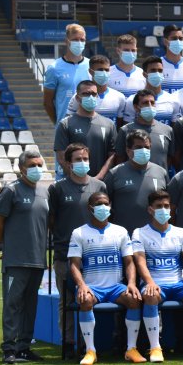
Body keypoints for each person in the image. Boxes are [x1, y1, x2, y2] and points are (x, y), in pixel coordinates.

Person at [131, 190, 183, 362]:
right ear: (150, 209)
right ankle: (155, 348)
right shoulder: (139, 233)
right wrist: (150, 282)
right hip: (155, 284)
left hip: (179, 284)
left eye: (166, 206)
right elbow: (140, 262)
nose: (163, 210)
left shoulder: (181, 232)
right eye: (159, 206)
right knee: (150, 295)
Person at [67, 191, 140, 365]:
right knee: (85, 300)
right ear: (90, 208)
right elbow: (74, 264)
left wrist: (131, 283)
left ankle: (131, 349)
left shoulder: (120, 231)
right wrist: (82, 285)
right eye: (99, 204)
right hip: (92, 287)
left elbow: (129, 262)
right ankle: (90, 350)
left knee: (134, 299)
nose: (103, 207)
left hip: (116, 287)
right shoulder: (79, 233)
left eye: (106, 203)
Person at [0, 149, 50, 364]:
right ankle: (9, 348)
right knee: (12, 304)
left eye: (39, 164)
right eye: (32, 165)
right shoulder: (11, 191)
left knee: (30, 305)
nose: (37, 169)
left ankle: (24, 347)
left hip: (38, 260)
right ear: (21, 168)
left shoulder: (45, 192)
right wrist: (9, 245)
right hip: (16, 260)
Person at [47, 143, 106, 347]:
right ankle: (68, 342)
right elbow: (51, 219)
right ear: (69, 164)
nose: (83, 163)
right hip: (65, 255)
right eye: (78, 159)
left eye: (85, 159)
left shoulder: (99, 186)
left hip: (95, 256)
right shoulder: (57, 188)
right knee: (67, 301)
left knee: (88, 300)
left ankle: (89, 343)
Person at [103, 130, 170, 235]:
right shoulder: (115, 174)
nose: (143, 150)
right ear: (128, 150)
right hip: (124, 236)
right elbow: (104, 205)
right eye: (138, 147)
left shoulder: (161, 172)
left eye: (147, 147)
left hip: (154, 237)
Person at [53, 80, 116, 178]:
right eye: (86, 94)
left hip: (100, 183)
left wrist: (99, 177)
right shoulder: (65, 124)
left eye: (93, 94)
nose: (90, 97)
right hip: (74, 184)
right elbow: (61, 157)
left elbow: (112, 155)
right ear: (78, 98)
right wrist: (78, 179)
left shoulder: (109, 124)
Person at [114, 89, 175, 171]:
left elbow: (170, 158)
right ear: (136, 107)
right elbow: (119, 159)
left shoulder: (167, 130)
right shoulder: (125, 130)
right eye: (145, 103)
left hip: (159, 181)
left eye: (152, 103)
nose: (150, 106)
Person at [42, 23, 89, 125]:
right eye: (75, 39)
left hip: (89, 126)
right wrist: (59, 123)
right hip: (65, 128)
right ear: (66, 41)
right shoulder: (54, 68)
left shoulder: (91, 66)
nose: (79, 42)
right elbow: (47, 103)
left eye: (82, 40)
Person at [64, 55, 126, 123]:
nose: (104, 73)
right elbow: (68, 122)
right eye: (100, 70)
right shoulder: (79, 97)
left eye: (106, 70)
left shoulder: (119, 97)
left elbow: (120, 124)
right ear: (91, 72)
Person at [120, 57, 180, 125]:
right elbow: (127, 129)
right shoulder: (131, 101)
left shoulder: (173, 100)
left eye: (160, 71)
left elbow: (174, 131)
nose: (157, 74)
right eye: (153, 70)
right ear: (144, 74)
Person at [108, 34, 146, 100]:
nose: (130, 53)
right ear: (118, 51)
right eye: (126, 50)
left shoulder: (143, 74)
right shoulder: (108, 73)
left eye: (133, 50)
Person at [159, 24, 183, 93]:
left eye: (180, 38)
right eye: (174, 38)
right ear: (165, 41)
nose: (178, 41)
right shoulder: (157, 65)